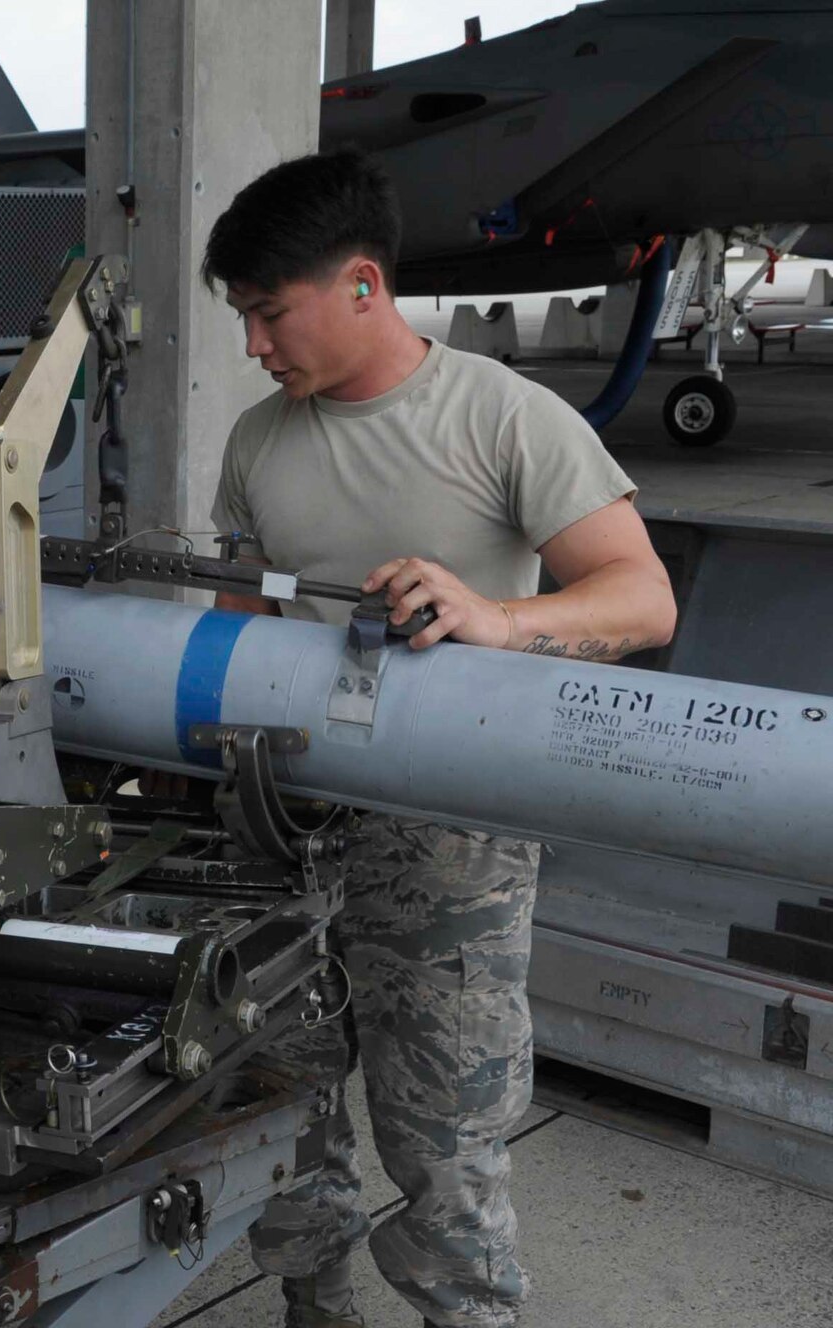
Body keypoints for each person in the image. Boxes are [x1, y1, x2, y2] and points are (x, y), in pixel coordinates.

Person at [200, 149, 677, 1328]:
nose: (255, 345)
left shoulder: (503, 417)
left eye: (269, 312)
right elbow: (233, 627)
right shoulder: (259, 441)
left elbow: (640, 599)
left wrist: (494, 617)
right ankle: (314, 1305)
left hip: (448, 844)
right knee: (279, 1102)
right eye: (244, 318)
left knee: (441, 1129)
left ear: (360, 284)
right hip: (285, 824)